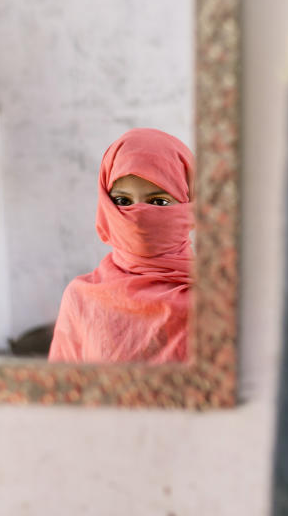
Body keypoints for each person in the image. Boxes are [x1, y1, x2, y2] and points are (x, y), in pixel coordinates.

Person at [48, 128, 195, 364]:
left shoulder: (217, 302)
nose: (138, 215)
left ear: (189, 205)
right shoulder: (82, 299)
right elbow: (62, 393)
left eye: (158, 201)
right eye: (122, 201)